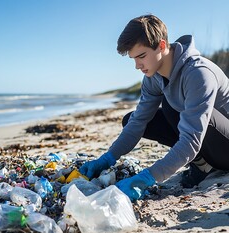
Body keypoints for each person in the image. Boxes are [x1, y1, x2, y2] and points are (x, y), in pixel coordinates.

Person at [79, 14, 229, 202]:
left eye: (141, 56)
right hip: (202, 140)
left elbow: (191, 139)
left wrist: (148, 177)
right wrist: (109, 156)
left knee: (171, 103)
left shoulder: (198, 73)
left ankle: (204, 162)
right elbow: (138, 121)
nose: (137, 65)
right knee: (132, 119)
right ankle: (202, 163)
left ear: (162, 46)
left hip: (224, 144)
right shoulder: (153, 77)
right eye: (133, 58)